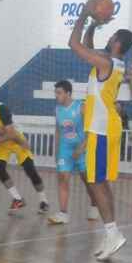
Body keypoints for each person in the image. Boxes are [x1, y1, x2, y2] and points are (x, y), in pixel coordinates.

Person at [68, 0, 132, 262]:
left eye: (112, 34)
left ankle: (113, 232)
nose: (110, 37)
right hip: (107, 126)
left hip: (102, 127)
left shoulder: (106, 63)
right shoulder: (110, 62)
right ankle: (111, 233)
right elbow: (87, 46)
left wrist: (85, 13)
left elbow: (74, 46)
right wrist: (94, 25)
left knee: (95, 181)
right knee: (99, 181)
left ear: (117, 42)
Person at [0, 94, 49, 214]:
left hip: (16, 140)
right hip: (1, 143)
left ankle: (43, 201)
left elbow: (11, 134)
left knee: (30, 169)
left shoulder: (1, 109)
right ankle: (18, 199)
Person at [48, 80, 99, 225]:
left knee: (87, 181)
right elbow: (58, 130)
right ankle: (63, 213)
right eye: (55, 93)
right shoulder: (57, 109)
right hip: (65, 149)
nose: (56, 96)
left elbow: (91, 129)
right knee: (63, 178)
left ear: (68, 93)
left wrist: (82, 147)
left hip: (81, 148)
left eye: (59, 93)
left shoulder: (81, 107)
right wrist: (56, 151)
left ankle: (94, 205)